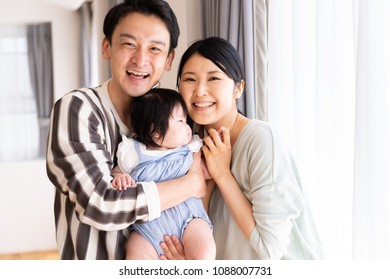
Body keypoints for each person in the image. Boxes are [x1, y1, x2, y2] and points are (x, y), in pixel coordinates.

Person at [46, 0, 207, 260]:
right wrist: (191, 184)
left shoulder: (176, 115)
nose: (141, 59)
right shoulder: (78, 109)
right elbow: (100, 204)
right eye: (129, 44)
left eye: (155, 48)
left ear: (169, 59)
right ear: (106, 46)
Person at [160, 37, 324, 260]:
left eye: (214, 78)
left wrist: (223, 175)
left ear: (238, 88)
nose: (199, 91)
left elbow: (270, 250)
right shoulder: (188, 148)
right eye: (190, 79)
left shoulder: (261, 140)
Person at [111, 88, 215, 260]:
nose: (188, 127)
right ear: (156, 132)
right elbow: (117, 172)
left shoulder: (189, 149)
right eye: (181, 121)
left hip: (188, 219)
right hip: (147, 229)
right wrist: (119, 177)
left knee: (204, 250)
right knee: (135, 253)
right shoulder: (133, 152)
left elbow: (206, 173)